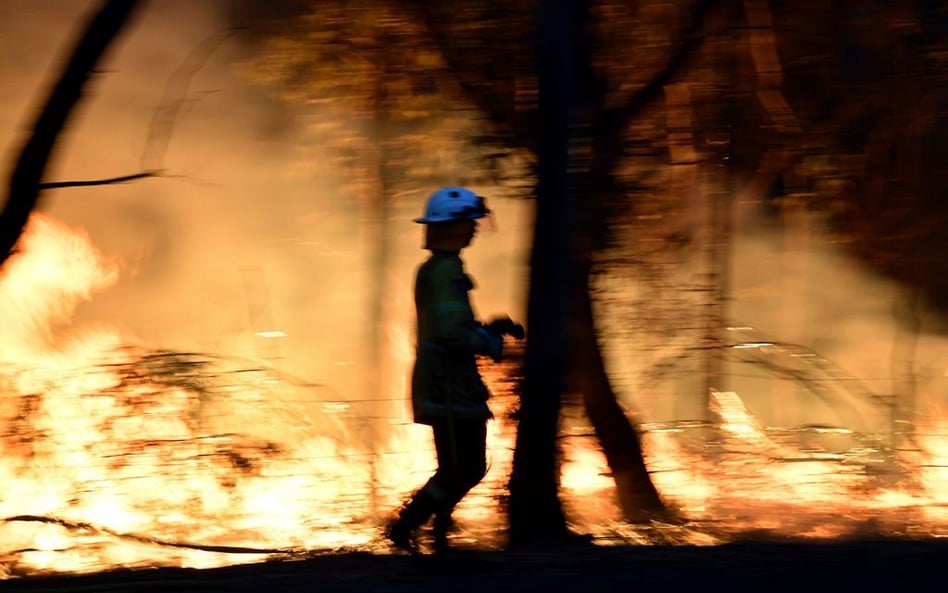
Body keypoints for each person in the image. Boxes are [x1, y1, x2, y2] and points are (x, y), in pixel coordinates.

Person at [385, 186, 524, 553]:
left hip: (449, 383)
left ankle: (431, 530)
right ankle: (412, 528)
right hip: (449, 387)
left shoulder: (440, 269)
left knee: (462, 466)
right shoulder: (445, 271)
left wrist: (489, 328)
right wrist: (489, 343)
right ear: (450, 226)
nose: (474, 229)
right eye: (468, 223)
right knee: (463, 467)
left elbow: (451, 324)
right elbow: (449, 331)